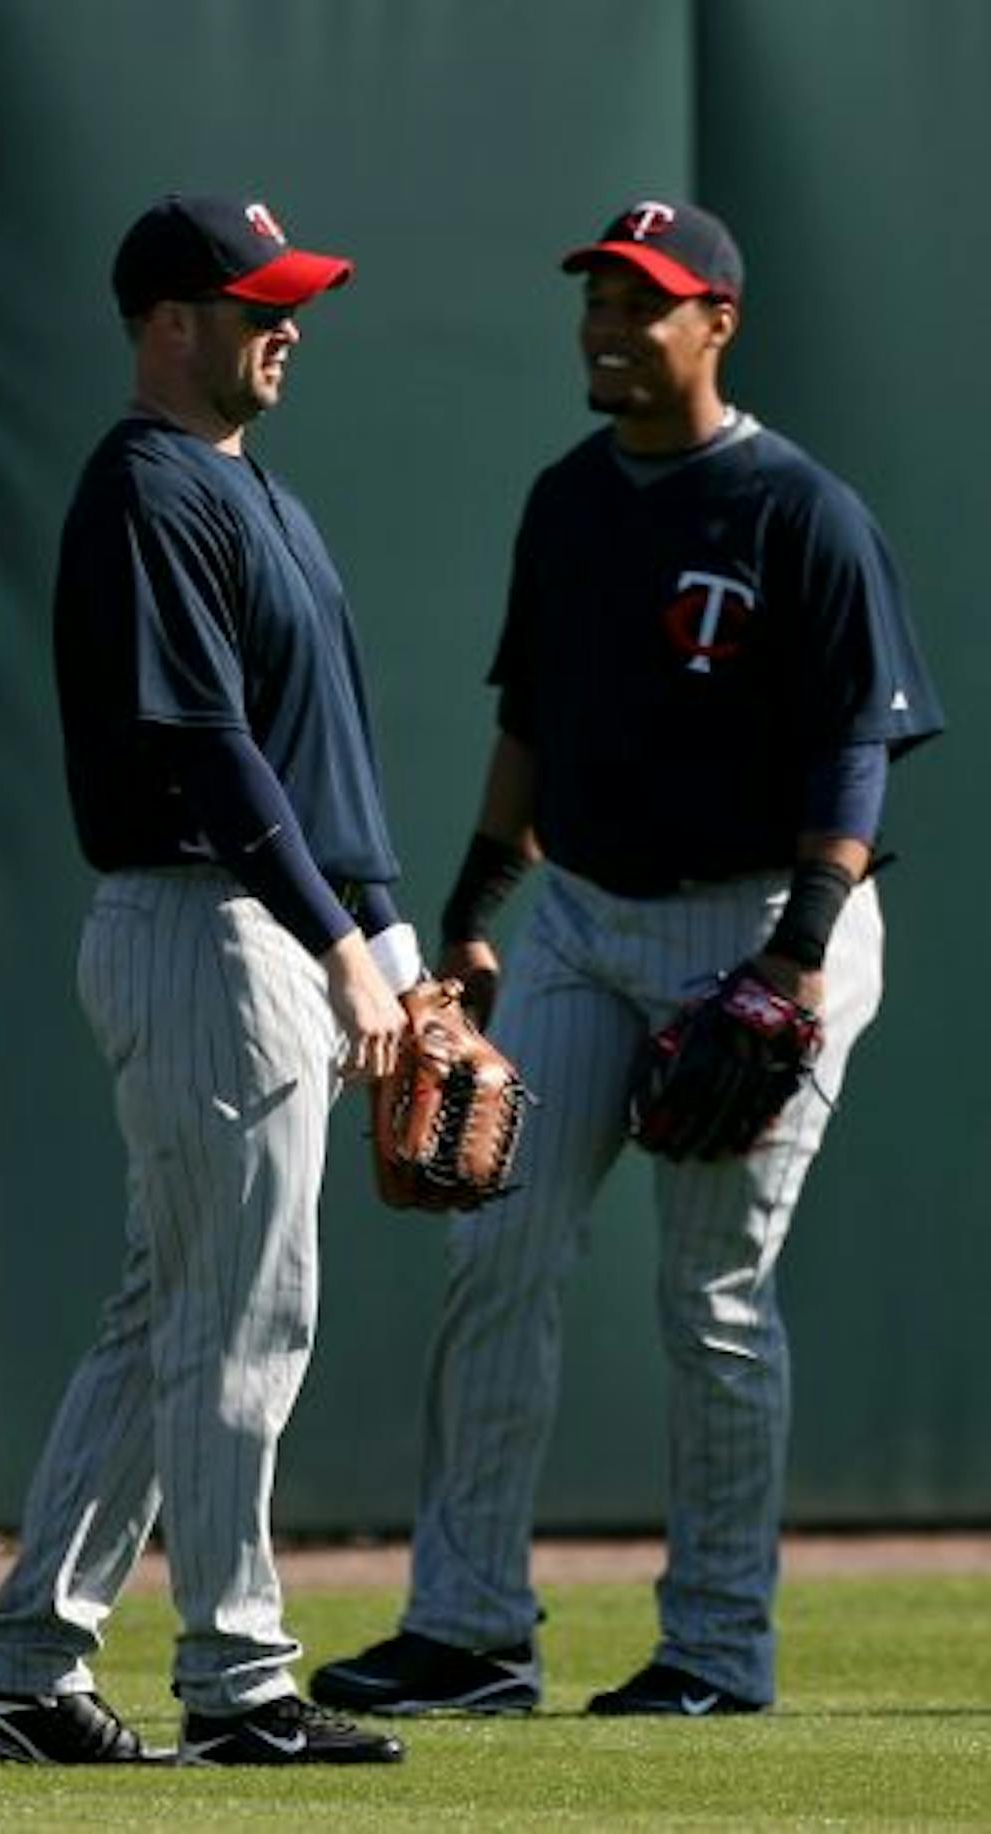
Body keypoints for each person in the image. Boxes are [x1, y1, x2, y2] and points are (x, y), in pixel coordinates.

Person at [310, 199, 944, 1720]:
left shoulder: (802, 510)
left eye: (641, 301)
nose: (606, 322)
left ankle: (719, 1650)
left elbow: (857, 754)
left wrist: (792, 962)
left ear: (717, 321)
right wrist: (473, 909)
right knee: (496, 1250)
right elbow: (530, 719)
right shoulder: (568, 500)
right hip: (587, 916)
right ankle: (469, 1631)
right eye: (595, 295)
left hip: (761, 921)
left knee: (713, 1291)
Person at [0, 193, 418, 1769]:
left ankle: (25, 1662)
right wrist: (341, 944)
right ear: (169, 322)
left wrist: (394, 947)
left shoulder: (251, 489)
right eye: (254, 299)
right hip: (204, 922)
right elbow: (208, 753)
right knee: (242, 1317)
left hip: (268, 927)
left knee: (171, 1314)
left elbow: (320, 753)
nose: (288, 322)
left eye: (294, 297)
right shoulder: (147, 489)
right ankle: (236, 1680)